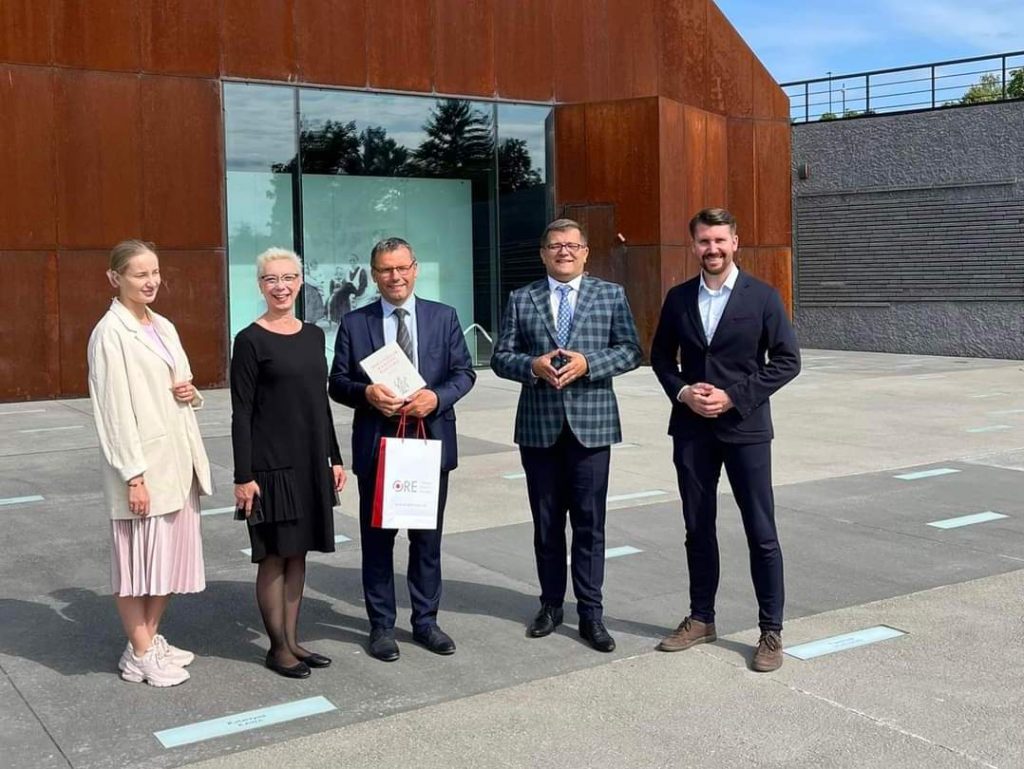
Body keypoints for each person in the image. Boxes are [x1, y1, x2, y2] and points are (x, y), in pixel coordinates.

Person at [650, 207, 801, 672]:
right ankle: (701, 618)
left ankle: (771, 630)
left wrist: (733, 397)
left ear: (735, 242)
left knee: (761, 531)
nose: (712, 249)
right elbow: (660, 359)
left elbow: (787, 361)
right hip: (692, 430)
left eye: (719, 240)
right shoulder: (678, 298)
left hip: (745, 430)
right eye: (704, 241)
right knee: (697, 527)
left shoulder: (763, 297)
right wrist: (683, 393)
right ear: (693, 245)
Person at [491, 218, 642, 653]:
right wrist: (531, 366)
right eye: (556, 245)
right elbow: (501, 356)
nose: (564, 252)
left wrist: (589, 363)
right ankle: (551, 604)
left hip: (592, 426)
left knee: (590, 524)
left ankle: (591, 612)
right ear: (543, 254)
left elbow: (631, 350)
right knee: (547, 524)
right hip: (538, 428)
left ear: (585, 252)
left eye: (573, 245)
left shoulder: (610, 295)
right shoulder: (522, 298)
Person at [329, 237, 475, 662]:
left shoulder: (443, 317)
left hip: (430, 443)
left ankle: (426, 622)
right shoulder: (355, 323)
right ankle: (381, 626)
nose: (395, 277)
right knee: (378, 542)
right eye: (385, 270)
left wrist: (437, 398)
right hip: (379, 446)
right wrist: (366, 393)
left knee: (427, 540)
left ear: (415, 269)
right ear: (374, 275)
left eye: (401, 268)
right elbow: (337, 382)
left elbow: (464, 373)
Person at [87, 239, 213, 687]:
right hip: (144, 468)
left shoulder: (162, 325)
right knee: (136, 565)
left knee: (168, 562)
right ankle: (140, 654)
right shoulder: (109, 333)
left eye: (155, 272)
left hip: (179, 462)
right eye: (140, 274)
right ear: (115, 278)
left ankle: (147, 640)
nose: (151, 281)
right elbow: (114, 412)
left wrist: (190, 392)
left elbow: (182, 382)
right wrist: (133, 476)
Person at [230, 247, 347, 679]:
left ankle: (294, 641)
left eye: (288, 278)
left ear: (300, 282)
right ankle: (277, 648)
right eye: (271, 279)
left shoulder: (314, 336)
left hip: (309, 460)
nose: (280, 287)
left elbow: (320, 402)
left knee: (298, 554)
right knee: (275, 556)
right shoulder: (250, 340)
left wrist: (334, 457)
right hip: (269, 465)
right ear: (260, 285)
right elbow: (241, 412)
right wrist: (243, 476)